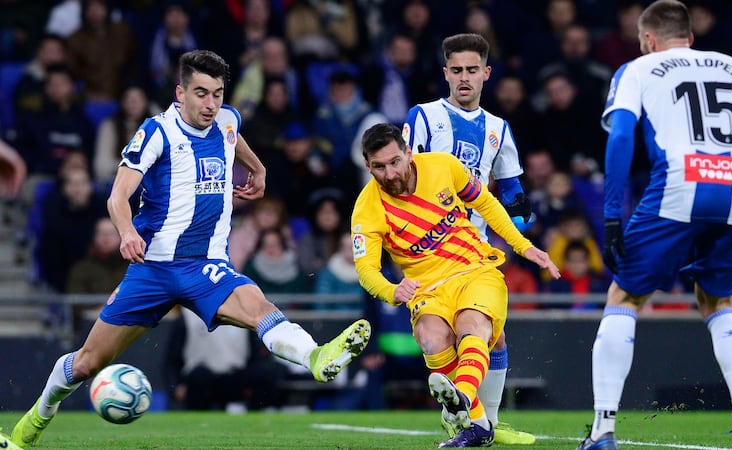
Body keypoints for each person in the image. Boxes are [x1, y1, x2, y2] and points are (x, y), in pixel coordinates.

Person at [0, 50, 371, 449]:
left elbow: (234, 136)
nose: (211, 104)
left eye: (217, 94)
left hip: (205, 265)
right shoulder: (156, 133)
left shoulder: (226, 119)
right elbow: (117, 196)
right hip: (153, 269)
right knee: (89, 361)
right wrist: (126, 232)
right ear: (180, 93)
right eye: (201, 93)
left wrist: (258, 168)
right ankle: (33, 423)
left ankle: (316, 357)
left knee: (257, 305)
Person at [576, 2, 732, 450]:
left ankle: (603, 429)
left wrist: (613, 215)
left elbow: (621, 136)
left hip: (681, 182)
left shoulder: (638, 69)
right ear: (690, 38)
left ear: (648, 39)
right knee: (717, 300)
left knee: (624, 296)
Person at [352, 123, 560, 448]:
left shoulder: (443, 165)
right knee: (431, 339)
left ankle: (463, 402)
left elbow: (486, 203)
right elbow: (366, 269)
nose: (390, 173)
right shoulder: (367, 208)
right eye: (379, 167)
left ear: (408, 153)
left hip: (475, 269)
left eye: (395, 162)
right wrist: (391, 290)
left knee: (472, 326)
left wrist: (522, 246)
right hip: (427, 288)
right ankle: (479, 422)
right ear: (367, 166)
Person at [402, 33, 536, 446]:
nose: (464, 78)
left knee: (492, 334)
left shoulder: (498, 128)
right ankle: (467, 416)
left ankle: (484, 423)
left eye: (472, 70)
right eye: (457, 70)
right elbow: (404, 177)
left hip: (476, 252)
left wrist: (521, 219)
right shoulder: (424, 117)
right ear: (445, 73)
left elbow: (511, 189)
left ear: (486, 73)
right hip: (431, 251)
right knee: (441, 337)